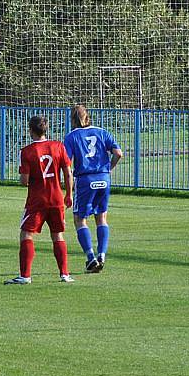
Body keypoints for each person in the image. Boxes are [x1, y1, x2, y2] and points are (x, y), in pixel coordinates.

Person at [5, 115, 74, 284]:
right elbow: (68, 172)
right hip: (56, 198)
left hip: (37, 200)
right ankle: (64, 274)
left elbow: (24, 181)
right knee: (57, 235)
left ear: (30, 131)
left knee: (26, 234)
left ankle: (25, 276)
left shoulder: (27, 151)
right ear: (45, 129)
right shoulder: (58, 146)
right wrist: (69, 194)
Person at [63, 103, 123, 273]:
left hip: (85, 179)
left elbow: (67, 162)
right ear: (87, 116)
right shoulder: (102, 132)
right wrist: (109, 169)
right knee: (101, 218)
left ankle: (90, 258)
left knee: (80, 220)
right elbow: (118, 153)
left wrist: (67, 185)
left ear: (72, 119)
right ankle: (102, 254)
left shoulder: (71, 136)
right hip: (103, 179)